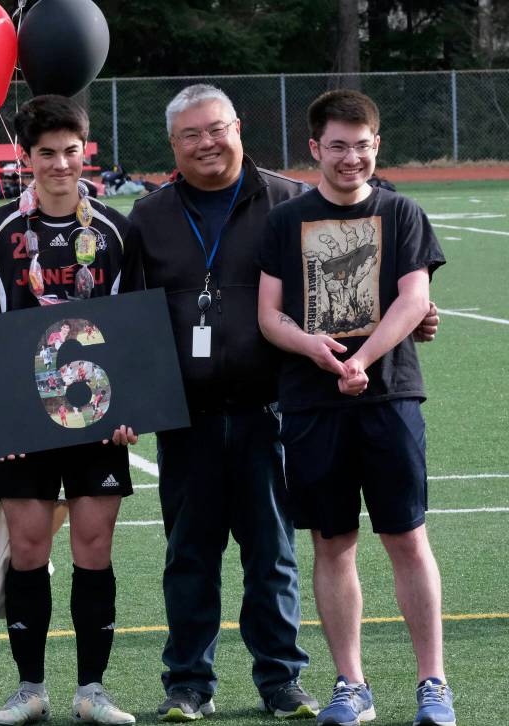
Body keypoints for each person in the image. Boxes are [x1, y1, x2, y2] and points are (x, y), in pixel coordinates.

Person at [126, 84, 439, 723]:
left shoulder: (288, 201)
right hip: (185, 409)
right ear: (173, 144)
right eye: (191, 134)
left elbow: (370, 286)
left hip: (276, 404)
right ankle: (187, 682)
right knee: (189, 551)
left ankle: (282, 681)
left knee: (273, 551)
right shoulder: (150, 216)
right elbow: (126, 315)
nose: (207, 143)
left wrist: (419, 317)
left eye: (216, 129)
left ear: (238, 127)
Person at [258, 89, 455, 726]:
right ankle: (351, 685)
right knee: (333, 542)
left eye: (361, 145)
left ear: (377, 146)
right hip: (312, 403)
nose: (350, 158)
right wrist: (315, 351)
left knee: (406, 537)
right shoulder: (285, 222)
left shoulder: (401, 214)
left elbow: (412, 299)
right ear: (315, 148)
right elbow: (269, 315)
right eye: (337, 146)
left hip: (389, 395)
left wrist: (361, 360)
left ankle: (433, 683)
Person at [0, 94, 142, 726]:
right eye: (47, 153)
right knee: (28, 546)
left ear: (85, 150)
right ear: (27, 157)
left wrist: (127, 406)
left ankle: (92, 689)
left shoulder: (117, 229)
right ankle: (29, 688)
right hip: (24, 419)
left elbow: (130, 328)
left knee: (94, 546)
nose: (61, 164)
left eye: (71, 151)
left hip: (97, 414)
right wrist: (3, 414)